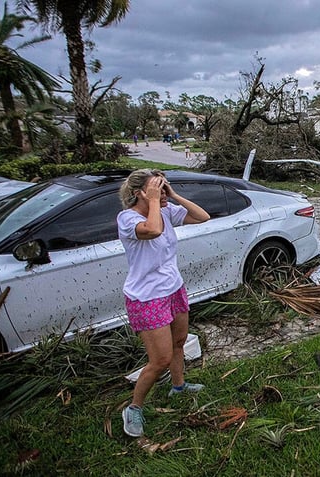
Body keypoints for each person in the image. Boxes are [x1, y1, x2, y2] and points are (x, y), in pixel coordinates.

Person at [117, 169, 210, 437]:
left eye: (162, 186)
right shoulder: (127, 218)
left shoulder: (166, 211)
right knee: (160, 360)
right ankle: (133, 408)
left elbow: (202, 216)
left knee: (179, 342)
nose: (161, 190)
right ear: (139, 194)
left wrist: (173, 195)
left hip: (173, 288)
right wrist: (156, 201)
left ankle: (178, 386)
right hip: (147, 297)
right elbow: (153, 230)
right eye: (156, 187)